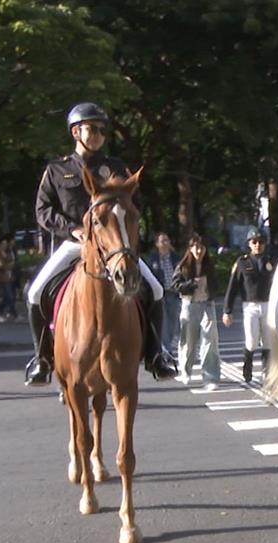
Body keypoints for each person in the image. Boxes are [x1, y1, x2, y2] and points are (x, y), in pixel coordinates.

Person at [24, 101, 177, 386]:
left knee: (155, 289)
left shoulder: (115, 168)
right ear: (75, 132)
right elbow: (43, 210)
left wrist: (124, 232)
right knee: (35, 293)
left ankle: (157, 354)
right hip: (74, 245)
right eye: (91, 128)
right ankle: (42, 359)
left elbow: (134, 205)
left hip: (113, 247)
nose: (97, 135)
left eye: (101, 130)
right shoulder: (57, 170)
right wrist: (73, 230)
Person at [172, 234, 224, 390]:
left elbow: (216, 283)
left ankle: (211, 378)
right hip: (190, 304)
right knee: (188, 341)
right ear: (190, 248)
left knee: (210, 341)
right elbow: (176, 285)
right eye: (196, 247)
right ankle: (185, 371)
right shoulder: (183, 266)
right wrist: (190, 284)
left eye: (202, 247)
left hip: (207, 304)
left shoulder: (209, 265)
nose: (199, 250)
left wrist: (212, 291)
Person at [223, 228, 275, 382]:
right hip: (250, 306)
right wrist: (227, 310)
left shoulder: (271, 261)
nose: (258, 245)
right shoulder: (242, 262)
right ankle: (248, 367)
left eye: (261, 242)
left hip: (268, 305)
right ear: (249, 244)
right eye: (254, 242)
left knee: (268, 341)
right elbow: (232, 287)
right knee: (251, 341)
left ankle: (267, 372)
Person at [146, 231, 182, 355]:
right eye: (162, 241)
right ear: (157, 244)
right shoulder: (152, 259)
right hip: (160, 294)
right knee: (163, 322)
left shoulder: (175, 257)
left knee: (173, 322)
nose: (166, 243)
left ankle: (167, 346)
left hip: (173, 293)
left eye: (167, 240)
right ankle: (165, 349)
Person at [0, 236, 17, 321]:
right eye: (3, 244)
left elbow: (13, 262)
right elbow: (1, 265)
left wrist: (10, 265)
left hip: (10, 277)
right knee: (9, 296)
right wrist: (9, 265)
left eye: (5, 244)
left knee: (9, 296)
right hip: (2, 278)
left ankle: (8, 312)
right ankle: (4, 312)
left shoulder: (8, 252)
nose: (4, 245)